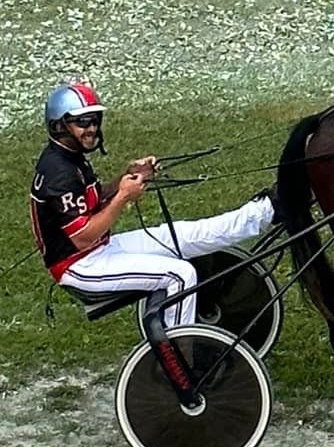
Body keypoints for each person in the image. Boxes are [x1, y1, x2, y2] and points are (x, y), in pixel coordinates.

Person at [30, 81, 277, 332]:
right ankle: (181, 363)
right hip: (81, 266)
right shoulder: (59, 173)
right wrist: (123, 197)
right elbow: (82, 238)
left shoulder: (69, 157)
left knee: (182, 235)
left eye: (95, 120)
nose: (92, 128)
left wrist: (129, 177)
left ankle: (263, 213)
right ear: (59, 125)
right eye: (83, 122)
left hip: (100, 250)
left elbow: (92, 198)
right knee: (180, 275)